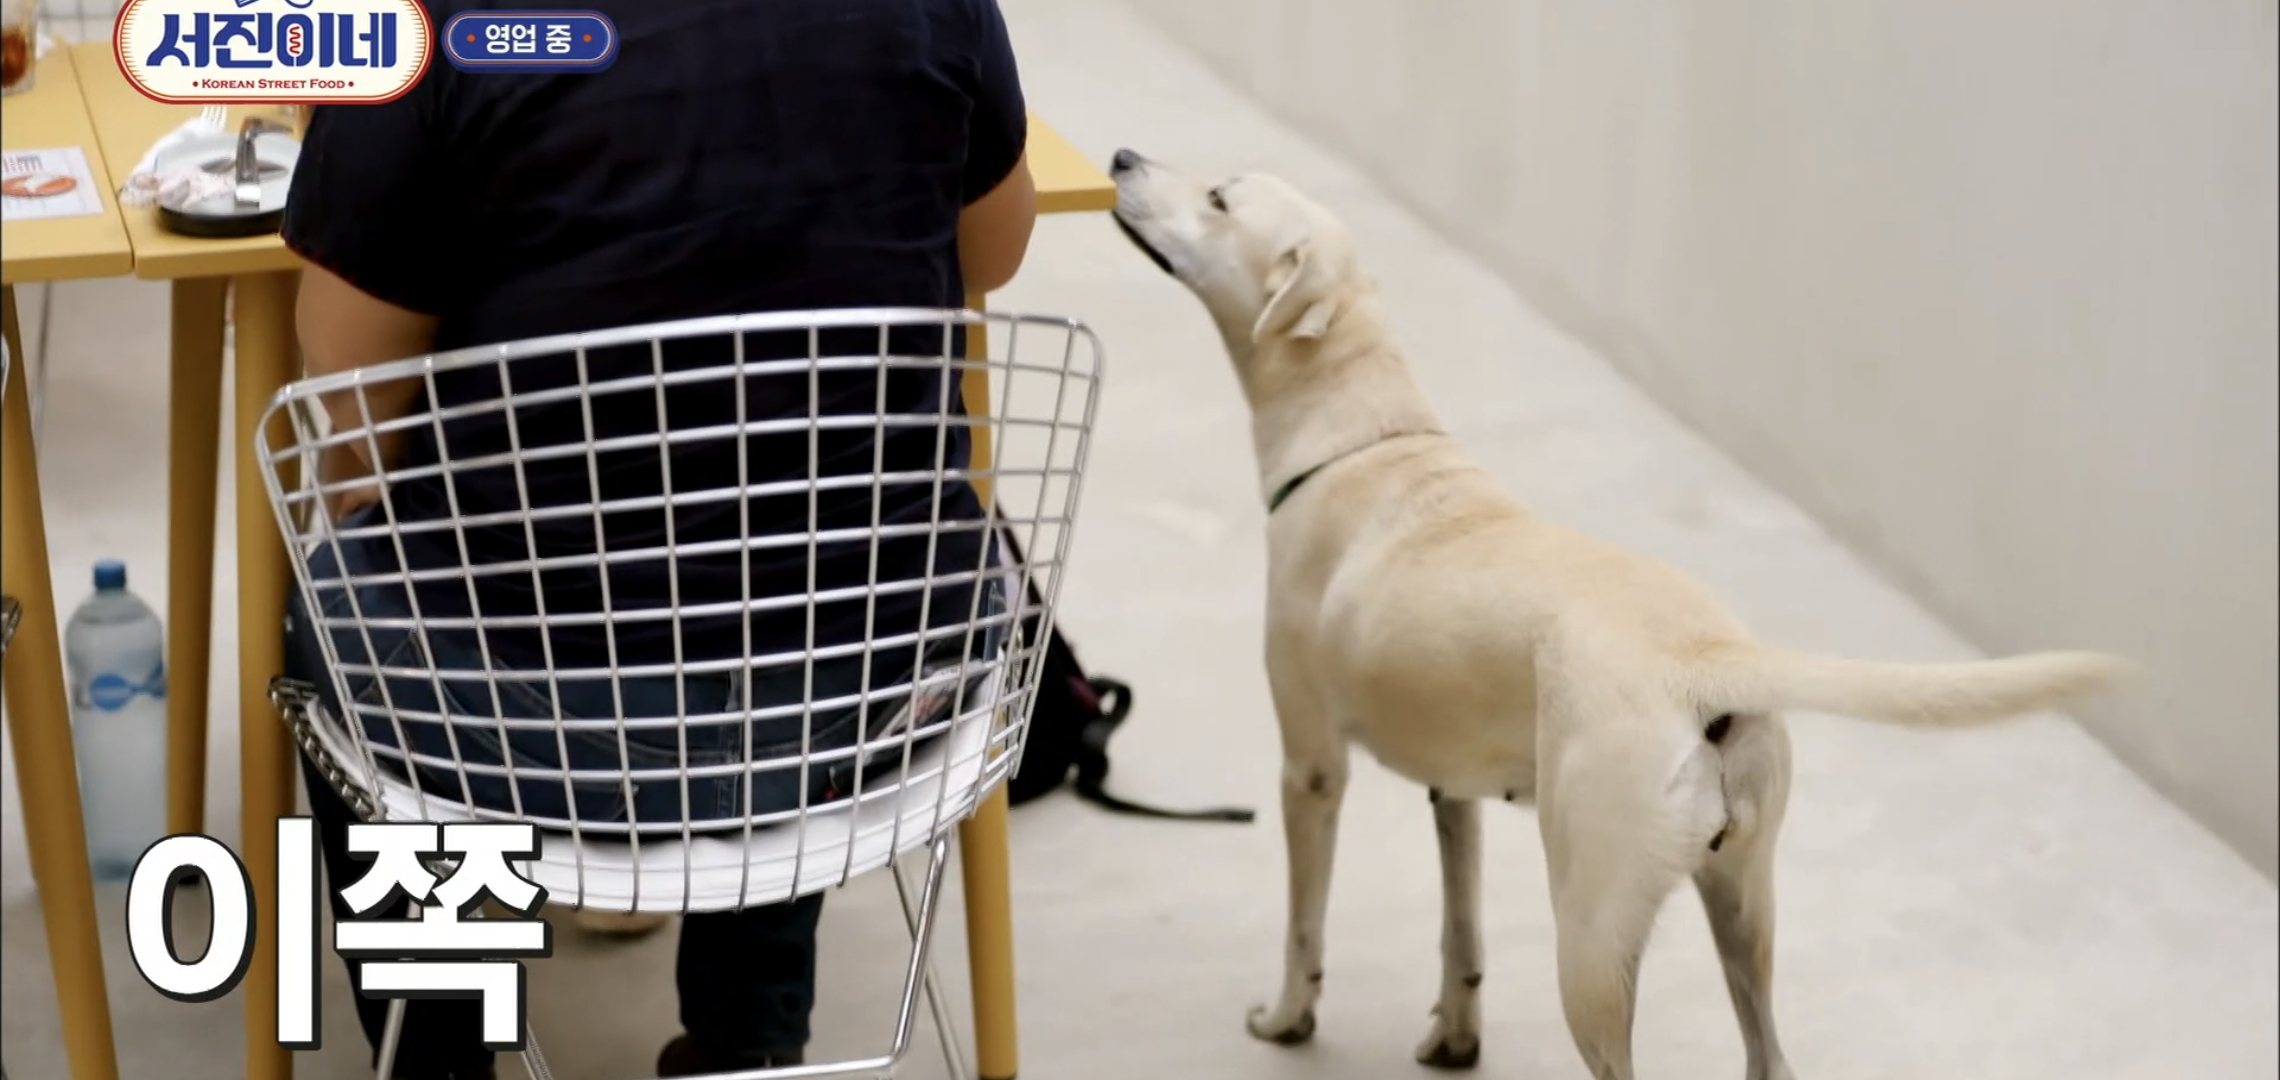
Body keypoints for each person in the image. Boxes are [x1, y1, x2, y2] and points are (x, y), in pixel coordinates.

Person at [278, 1, 1037, 1077]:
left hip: (552, 725)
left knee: (351, 599)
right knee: (799, 540)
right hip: (878, 690)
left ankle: (444, 1062)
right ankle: (750, 1040)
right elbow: (994, 249)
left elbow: (353, 391)